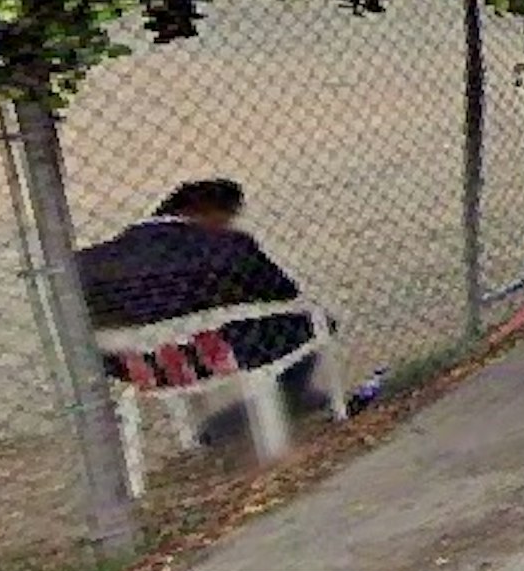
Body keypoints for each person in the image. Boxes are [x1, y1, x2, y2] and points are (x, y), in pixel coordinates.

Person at [73, 179, 342, 437]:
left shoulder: (86, 262)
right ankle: (269, 407)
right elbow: (285, 295)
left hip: (139, 366)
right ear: (209, 212)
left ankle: (253, 412)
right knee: (316, 320)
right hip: (217, 353)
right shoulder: (227, 244)